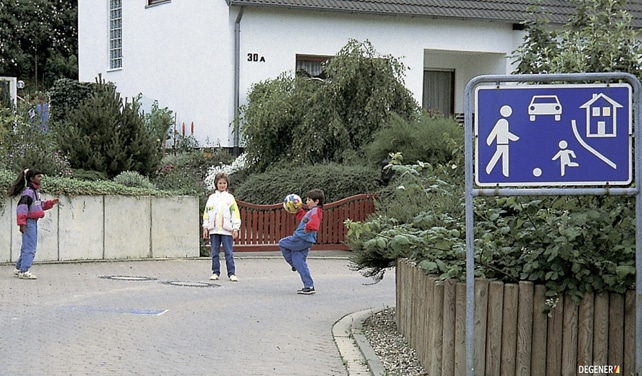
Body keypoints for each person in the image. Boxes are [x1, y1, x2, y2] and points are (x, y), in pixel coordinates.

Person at [8, 168, 59, 279]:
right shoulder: (29, 192)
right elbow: (21, 208)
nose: (40, 178)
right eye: (38, 176)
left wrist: (51, 203)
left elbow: (38, 206)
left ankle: (18, 268)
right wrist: (22, 223)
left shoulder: (35, 192)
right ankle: (24, 271)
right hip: (29, 223)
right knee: (30, 247)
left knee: (26, 246)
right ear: (31, 179)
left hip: (33, 222)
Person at [279, 189, 324, 295]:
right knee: (300, 262)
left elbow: (315, 224)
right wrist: (298, 211)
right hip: (305, 241)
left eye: (309, 200)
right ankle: (309, 286)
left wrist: (308, 227)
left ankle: (293, 264)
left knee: (282, 243)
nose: (306, 202)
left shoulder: (316, 211)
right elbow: (304, 218)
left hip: (300, 239)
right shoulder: (311, 211)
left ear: (316, 201)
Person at [202, 172, 241, 281]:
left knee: (228, 252)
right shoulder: (212, 198)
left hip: (226, 230)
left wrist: (235, 228)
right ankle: (215, 272)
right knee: (215, 252)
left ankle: (231, 273)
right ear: (216, 184)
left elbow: (235, 213)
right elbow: (207, 212)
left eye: (224, 183)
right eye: (220, 183)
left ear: (227, 184)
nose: (222, 185)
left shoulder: (230, 198)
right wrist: (205, 227)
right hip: (214, 229)